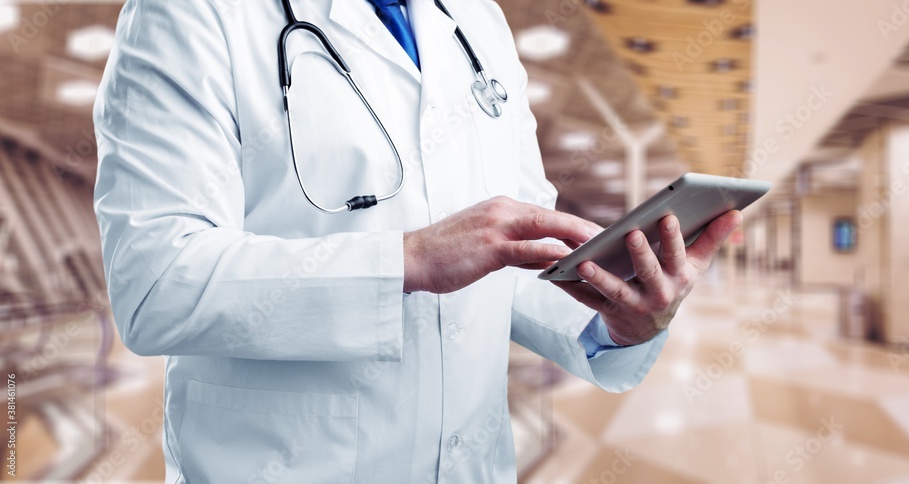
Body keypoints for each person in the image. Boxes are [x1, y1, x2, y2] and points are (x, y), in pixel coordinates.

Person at [92, 0, 741, 482]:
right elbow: (157, 284)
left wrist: (615, 314)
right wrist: (405, 261)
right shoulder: (187, 15)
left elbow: (514, 245)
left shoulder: (476, 22)